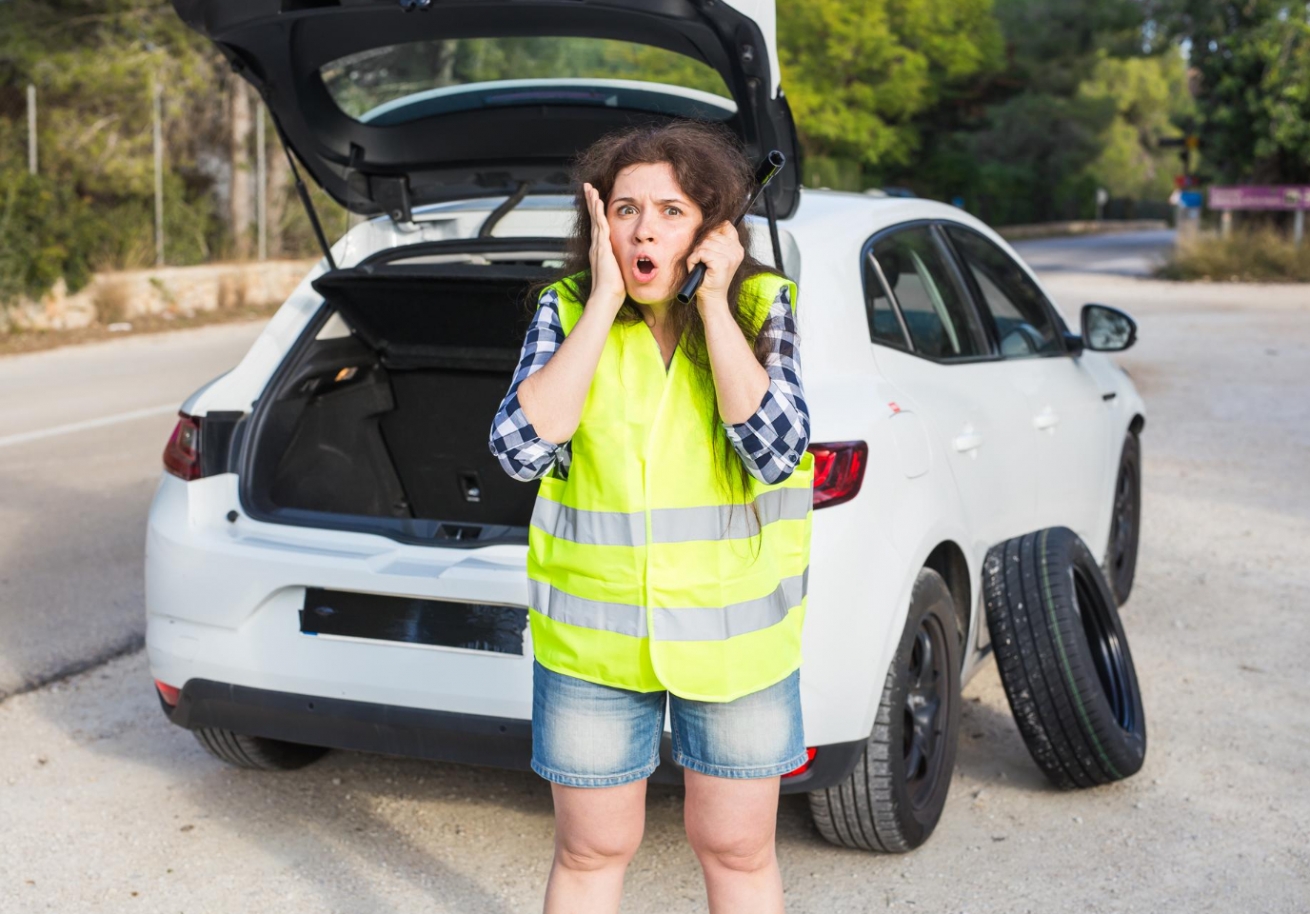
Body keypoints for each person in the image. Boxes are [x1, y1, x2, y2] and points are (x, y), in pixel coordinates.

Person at [487, 119, 813, 914]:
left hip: (736, 650)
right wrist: (602, 300)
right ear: (598, 222)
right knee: (591, 851)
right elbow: (519, 447)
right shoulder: (566, 312)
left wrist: (712, 307)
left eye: (670, 210)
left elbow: (775, 449)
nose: (644, 227)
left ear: (711, 225)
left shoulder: (761, 305)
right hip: (595, 652)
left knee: (738, 852)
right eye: (625, 207)